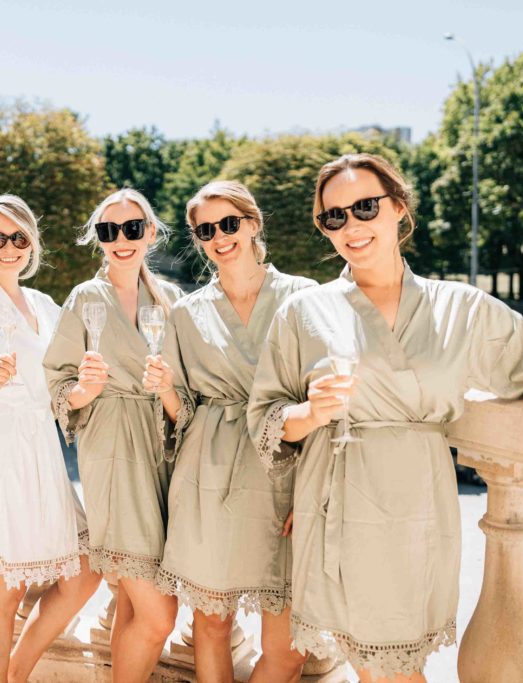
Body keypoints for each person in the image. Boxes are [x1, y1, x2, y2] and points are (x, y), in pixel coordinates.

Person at [247, 153, 523, 683]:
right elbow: (266, 419)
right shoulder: (304, 313)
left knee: (401, 666)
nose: (351, 226)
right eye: (333, 217)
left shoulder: (459, 308)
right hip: (338, 503)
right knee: (377, 669)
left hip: (418, 509)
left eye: (364, 207)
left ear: (398, 208)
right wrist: (309, 411)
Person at [0, 194, 101, 683]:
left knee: (85, 568)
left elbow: (56, 390)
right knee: (2, 591)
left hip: (42, 450)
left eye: (18, 238)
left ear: (32, 243)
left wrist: (81, 392)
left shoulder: (46, 307)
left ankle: (17, 671)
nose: (8, 248)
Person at [154, 181, 314, 683]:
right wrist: (164, 390)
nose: (220, 237)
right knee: (212, 625)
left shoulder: (303, 297)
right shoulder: (185, 312)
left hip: (282, 473)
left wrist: (312, 489)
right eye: (206, 229)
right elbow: (182, 413)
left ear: (252, 223)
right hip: (208, 476)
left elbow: (322, 400)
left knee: (288, 648)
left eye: (230, 223)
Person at [44, 188, 184, 682]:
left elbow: (186, 395)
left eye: (131, 228)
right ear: (98, 239)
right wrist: (84, 390)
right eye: (108, 231)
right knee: (159, 613)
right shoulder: (85, 298)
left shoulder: (172, 301)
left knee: (131, 600)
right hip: (111, 450)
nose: (121, 240)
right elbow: (57, 385)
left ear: (149, 232)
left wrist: (166, 390)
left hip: (163, 454)